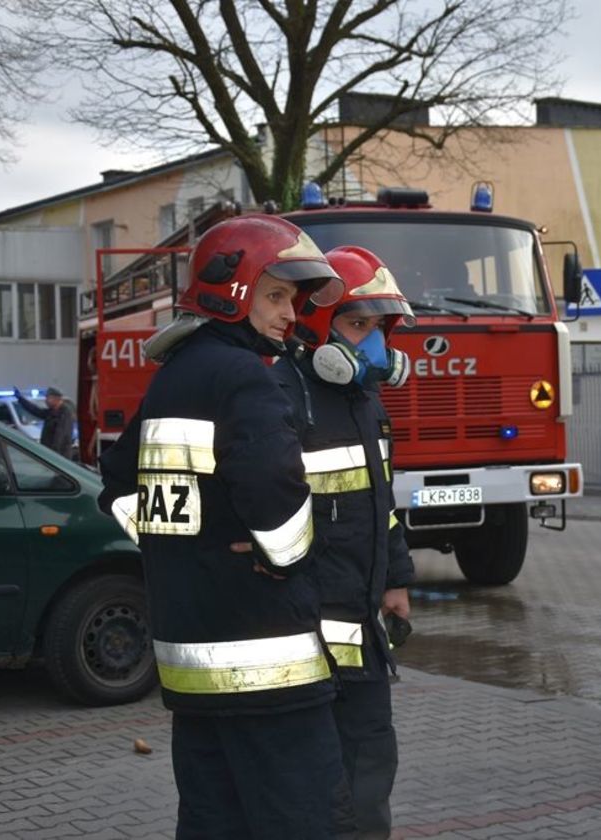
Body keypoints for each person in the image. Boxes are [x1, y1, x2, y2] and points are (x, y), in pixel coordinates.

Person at [96, 214, 347, 839]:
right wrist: (283, 559)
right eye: (276, 295)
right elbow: (277, 499)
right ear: (231, 288)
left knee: (213, 820)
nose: (291, 314)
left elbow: (118, 488)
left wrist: (176, 546)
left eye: (292, 299)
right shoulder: (244, 380)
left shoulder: (173, 378)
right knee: (301, 817)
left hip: (190, 664)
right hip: (268, 662)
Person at [272, 245, 415, 840]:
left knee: (370, 762)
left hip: (362, 619)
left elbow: (380, 507)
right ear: (315, 327)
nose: (374, 345)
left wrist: (397, 580)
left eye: (381, 328)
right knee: (316, 774)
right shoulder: (282, 396)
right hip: (309, 625)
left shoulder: (364, 401)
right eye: (358, 326)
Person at [14, 386, 75, 458]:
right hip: (49, 453)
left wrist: (53, 454)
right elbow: (36, 410)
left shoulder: (64, 413)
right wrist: (21, 399)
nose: (46, 400)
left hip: (59, 455)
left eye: (48, 398)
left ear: (56, 399)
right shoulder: (51, 411)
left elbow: (60, 435)